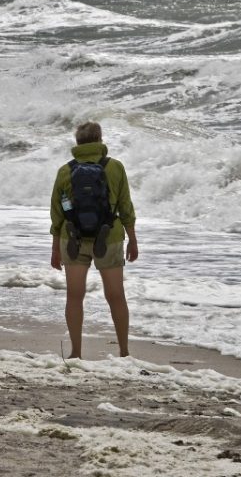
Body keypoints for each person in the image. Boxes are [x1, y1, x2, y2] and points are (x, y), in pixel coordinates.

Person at [49, 122, 138, 358]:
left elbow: (57, 212)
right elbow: (125, 206)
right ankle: (124, 352)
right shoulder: (115, 167)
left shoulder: (65, 170)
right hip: (109, 237)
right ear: (100, 139)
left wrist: (55, 248)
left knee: (74, 296)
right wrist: (132, 238)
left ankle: (76, 353)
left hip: (72, 238)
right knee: (116, 296)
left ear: (77, 143)